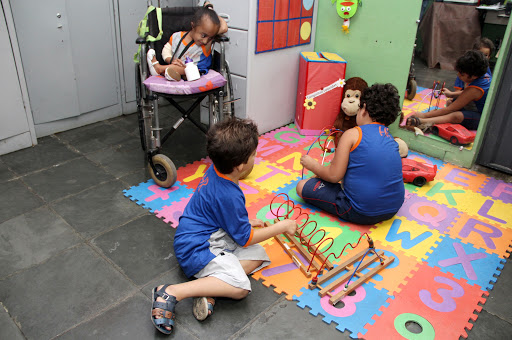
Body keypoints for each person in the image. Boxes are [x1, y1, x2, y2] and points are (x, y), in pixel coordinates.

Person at [150, 118, 298, 335]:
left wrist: (243, 222)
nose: (255, 158)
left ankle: (211, 287)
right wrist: (282, 226)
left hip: (209, 234)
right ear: (240, 166)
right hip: (196, 248)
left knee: (258, 256)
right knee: (240, 289)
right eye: (254, 155)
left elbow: (217, 211)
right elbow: (244, 238)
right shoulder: (229, 194)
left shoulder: (217, 170)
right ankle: (171, 292)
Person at [296, 83, 405, 225]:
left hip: (359, 210)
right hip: (392, 209)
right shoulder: (390, 138)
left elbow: (333, 176)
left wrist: (312, 165)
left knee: (301, 186)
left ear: (364, 108)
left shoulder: (353, 134)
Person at [406, 50, 492, 131]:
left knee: (456, 116)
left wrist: (424, 115)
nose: (458, 75)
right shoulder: (483, 72)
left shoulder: (475, 89)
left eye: (462, 74)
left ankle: (422, 122)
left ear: (474, 76)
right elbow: (467, 94)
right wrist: (452, 94)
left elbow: (450, 109)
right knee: (451, 101)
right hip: (476, 107)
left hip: (484, 119)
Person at [146, 3, 228, 81]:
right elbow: (166, 50)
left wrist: (210, 10)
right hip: (179, 69)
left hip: (197, 71)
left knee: (185, 69)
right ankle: (172, 75)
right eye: (203, 35)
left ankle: (159, 69)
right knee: (176, 68)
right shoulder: (177, 37)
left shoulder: (206, 43)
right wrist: (171, 60)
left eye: (210, 38)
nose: (205, 40)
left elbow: (224, 28)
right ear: (193, 26)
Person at [444, 37, 495, 103]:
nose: (481, 57)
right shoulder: (464, 70)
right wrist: (453, 96)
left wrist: (452, 95)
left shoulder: (486, 72)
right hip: (465, 98)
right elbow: (457, 91)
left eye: (485, 55)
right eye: (479, 53)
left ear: (489, 57)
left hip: (476, 102)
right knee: (450, 103)